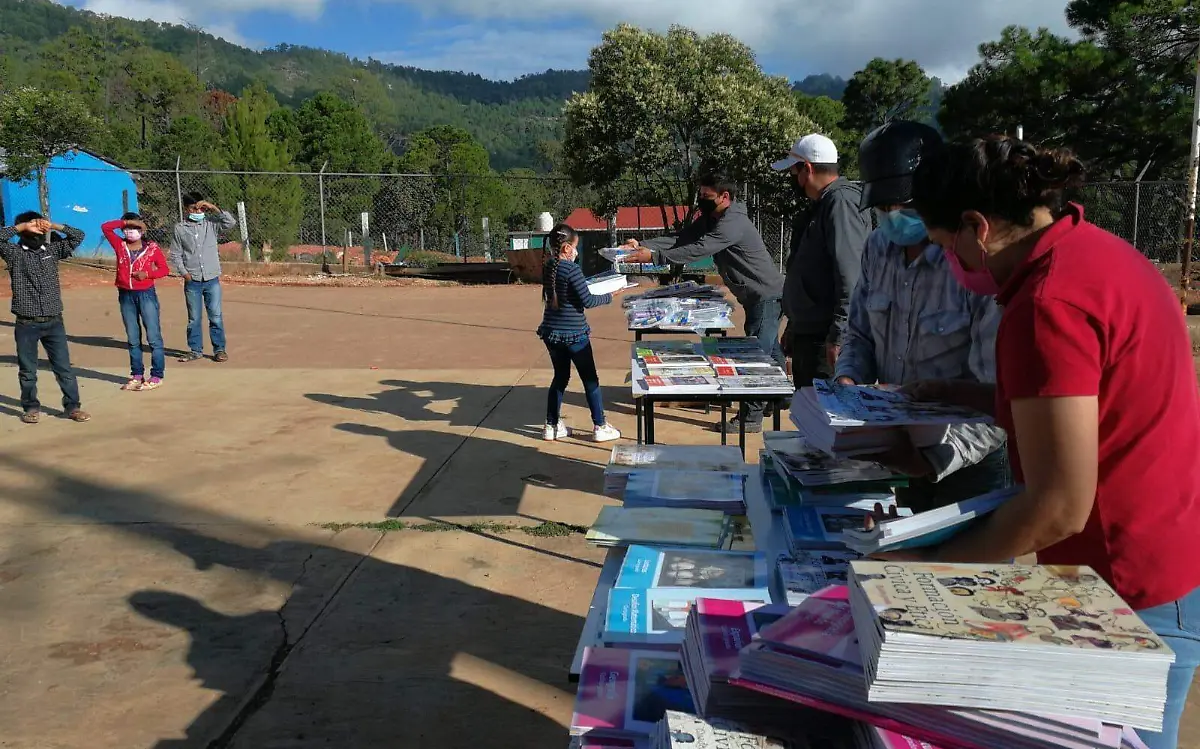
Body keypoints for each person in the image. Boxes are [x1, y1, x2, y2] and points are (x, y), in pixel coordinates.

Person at [901, 135, 1200, 749]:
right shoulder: (1100, 255)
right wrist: (968, 392)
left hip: (1130, 586)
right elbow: (1092, 401)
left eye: (941, 248)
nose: (949, 269)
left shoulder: (1048, 303)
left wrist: (920, 573)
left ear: (975, 228)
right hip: (1166, 554)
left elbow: (1059, 506)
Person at [836, 121, 1010, 511]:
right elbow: (860, 334)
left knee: (966, 566)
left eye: (907, 206)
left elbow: (998, 396)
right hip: (897, 448)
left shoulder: (972, 263)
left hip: (969, 460)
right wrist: (847, 383)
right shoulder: (878, 247)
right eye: (884, 208)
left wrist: (930, 462)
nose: (895, 216)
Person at [623, 172, 786, 434]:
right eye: (700, 196)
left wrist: (654, 256)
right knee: (770, 347)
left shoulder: (732, 223)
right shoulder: (713, 217)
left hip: (765, 295)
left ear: (725, 197)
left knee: (757, 356)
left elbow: (700, 248)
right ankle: (781, 397)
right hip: (756, 295)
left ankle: (751, 417)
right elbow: (684, 237)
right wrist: (643, 244)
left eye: (707, 197)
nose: (702, 201)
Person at [771, 134, 872, 390]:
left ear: (807, 168)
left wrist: (839, 336)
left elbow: (851, 276)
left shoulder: (841, 204)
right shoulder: (823, 204)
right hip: (811, 335)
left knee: (826, 420)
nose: (793, 179)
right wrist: (795, 325)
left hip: (825, 340)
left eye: (794, 171)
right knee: (810, 417)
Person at [0, 212, 89, 424]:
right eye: (32, 227)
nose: (36, 232)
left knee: (63, 368)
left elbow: (78, 236)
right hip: (26, 323)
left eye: (38, 227)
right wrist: (23, 227)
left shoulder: (52, 250)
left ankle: (73, 407)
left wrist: (55, 226)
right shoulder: (13, 253)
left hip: (54, 321)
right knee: (28, 370)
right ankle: (31, 408)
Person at [537, 223, 622, 443]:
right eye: (575, 247)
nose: (576, 251)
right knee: (590, 379)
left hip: (551, 332)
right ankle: (600, 425)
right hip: (575, 333)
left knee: (560, 377)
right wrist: (611, 295)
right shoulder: (572, 269)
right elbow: (588, 300)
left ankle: (551, 425)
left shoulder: (548, 267)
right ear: (566, 248)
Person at [102, 212, 170, 391]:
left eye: (135, 228)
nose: (130, 232)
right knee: (133, 337)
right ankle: (137, 375)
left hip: (146, 294)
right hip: (126, 295)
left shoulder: (152, 248)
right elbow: (106, 228)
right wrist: (125, 221)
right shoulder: (119, 245)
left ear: (142, 229)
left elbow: (164, 269)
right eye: (127, 229)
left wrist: (147, 274)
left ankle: (156, 376)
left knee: (153, 337)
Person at [170, 192, 236, 363]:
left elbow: (230, 222)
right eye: (193, 208)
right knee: (194, 318)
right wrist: (184, 272)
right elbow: (176, 254)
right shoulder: (180, 229)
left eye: (200, 208)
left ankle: (219, 349)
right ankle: (195, 349)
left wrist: (213, 208)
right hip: (192, 280)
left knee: (215, 316)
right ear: (186, 209)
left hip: (212, 278)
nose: (197, 211)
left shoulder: (211, 224)